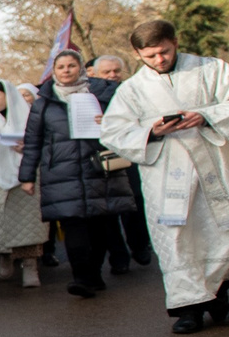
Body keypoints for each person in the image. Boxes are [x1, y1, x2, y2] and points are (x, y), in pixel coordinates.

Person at [99, 19, 229, 334]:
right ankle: (188, 310)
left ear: (176, 41)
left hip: (212, 165)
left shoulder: (211, 69)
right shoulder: (132, 89)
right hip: (164, 172)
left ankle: (218, 295)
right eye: (150, 56)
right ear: (137, 54)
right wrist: (152, 131)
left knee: (221, 232)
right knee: (176, 239)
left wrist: (207, 114)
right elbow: (113, 131)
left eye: (164, 52)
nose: (159, 60)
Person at [18, 49, 139, 298]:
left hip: (98, 170)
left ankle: (94, 274)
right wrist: (27, 176)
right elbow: (33, 140)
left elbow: (126, 122)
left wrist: (106, 121)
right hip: (62, 174)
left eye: (71, 66)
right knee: (74, 229)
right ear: (54, 70)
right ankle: (82, 278)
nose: (66, 71)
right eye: (61, 67)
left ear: (81, 68)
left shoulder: (102, 94)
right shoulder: (44, 102)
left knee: (99, 228)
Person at [0, 82, 47, 287]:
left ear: (8, 96)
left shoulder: (30, 118)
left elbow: (46, 145)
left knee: (29, 223)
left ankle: (30, 265)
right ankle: (4, 257)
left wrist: (29, 148)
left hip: (27, 175)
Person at [92, 53, 160, 272]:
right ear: (95, 73)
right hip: (100, 157)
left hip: (129, 155)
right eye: (106, 72)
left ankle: (140, 245)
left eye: (116, 71)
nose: (112, 75)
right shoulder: (87, 96)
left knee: (135, 202)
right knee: (107, 210)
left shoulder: (133, 91)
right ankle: (118, 256)